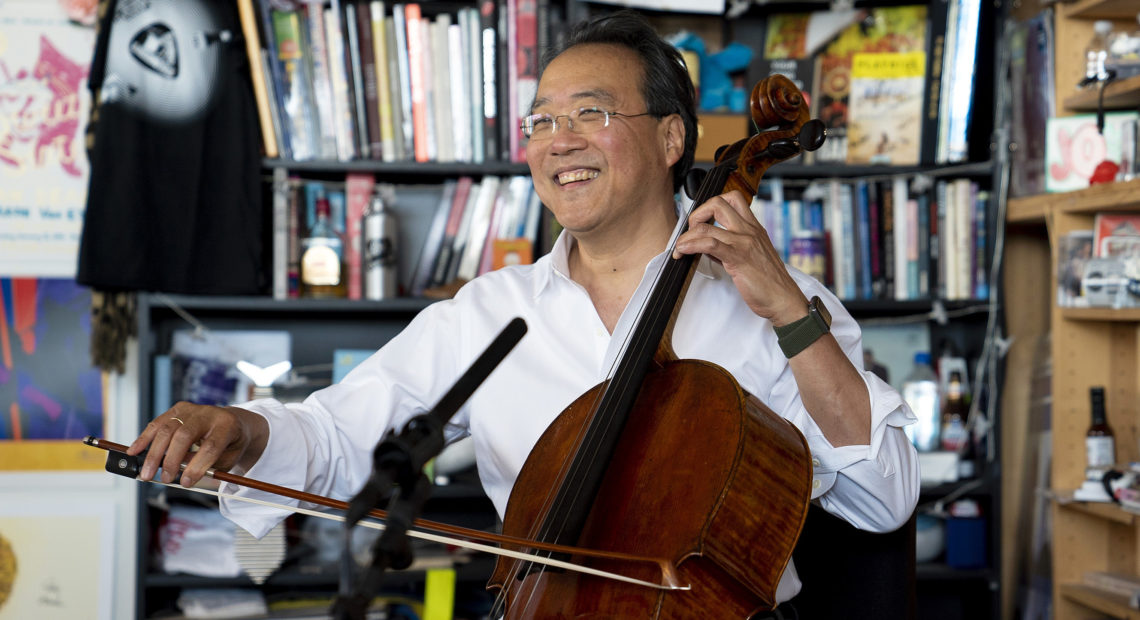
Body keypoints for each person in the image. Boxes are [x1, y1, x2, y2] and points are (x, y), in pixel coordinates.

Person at [129, 9, 919, 614]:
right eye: (541, 121)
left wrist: (787, 307)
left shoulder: (779, 305)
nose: (558, 141)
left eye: (591, 114)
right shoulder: (487, 314)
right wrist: (243, 429)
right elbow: (342, 435)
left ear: (673, 136)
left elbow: (882, 499)